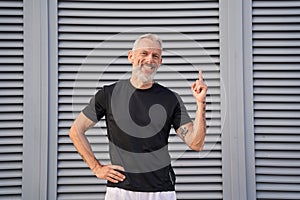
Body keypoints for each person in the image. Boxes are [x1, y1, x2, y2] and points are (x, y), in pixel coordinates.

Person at [69, 33, 208, 200]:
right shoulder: (108, 94)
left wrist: (201, 104)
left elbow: (196, 143)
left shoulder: (171, 99)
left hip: (161, 190)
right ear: (131, 56)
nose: (150, 59)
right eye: (144, 53)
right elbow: (76, 131)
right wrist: (96, 168)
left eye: (155, 56)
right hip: (120, 191)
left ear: (160, 62)